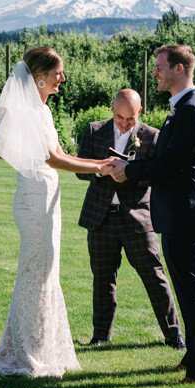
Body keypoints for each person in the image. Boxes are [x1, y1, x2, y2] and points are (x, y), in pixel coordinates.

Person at [0, 47, 113, 377]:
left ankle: (26, 345)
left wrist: (99, 163)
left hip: (46, 196)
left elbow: (59, 152)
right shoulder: (29, 112)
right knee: (36, 273)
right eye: (58, 72)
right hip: (34, 199)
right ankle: (28, 351)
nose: (63, 78)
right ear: (40, 77)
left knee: (44, 272)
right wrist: (101, 168)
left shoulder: (41, 110)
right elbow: (52, 158)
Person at [105, 45, 195, 383]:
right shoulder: (182, 107)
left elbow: (170, 164)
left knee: (193, 289)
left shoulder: (191, 111)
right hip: (178, 209)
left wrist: (129, 170)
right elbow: (167, 159)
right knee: (185, 288)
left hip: (186, 209)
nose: (155, 72)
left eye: (160, 67)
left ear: (180, 69)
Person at [74, 89, 183, 349]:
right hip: (100, 216)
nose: (124, 124)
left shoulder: (153, 136)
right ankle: (101, 336)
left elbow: (158, 174)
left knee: (155, 276)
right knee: (102, 278)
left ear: (140, 112)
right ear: (112, 108)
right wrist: (101, 172)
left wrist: (129, 173)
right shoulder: (93, 131)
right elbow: (79, 168)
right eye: (119, 117)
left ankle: (173, 335)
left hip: (137, 217)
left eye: (130, 119)